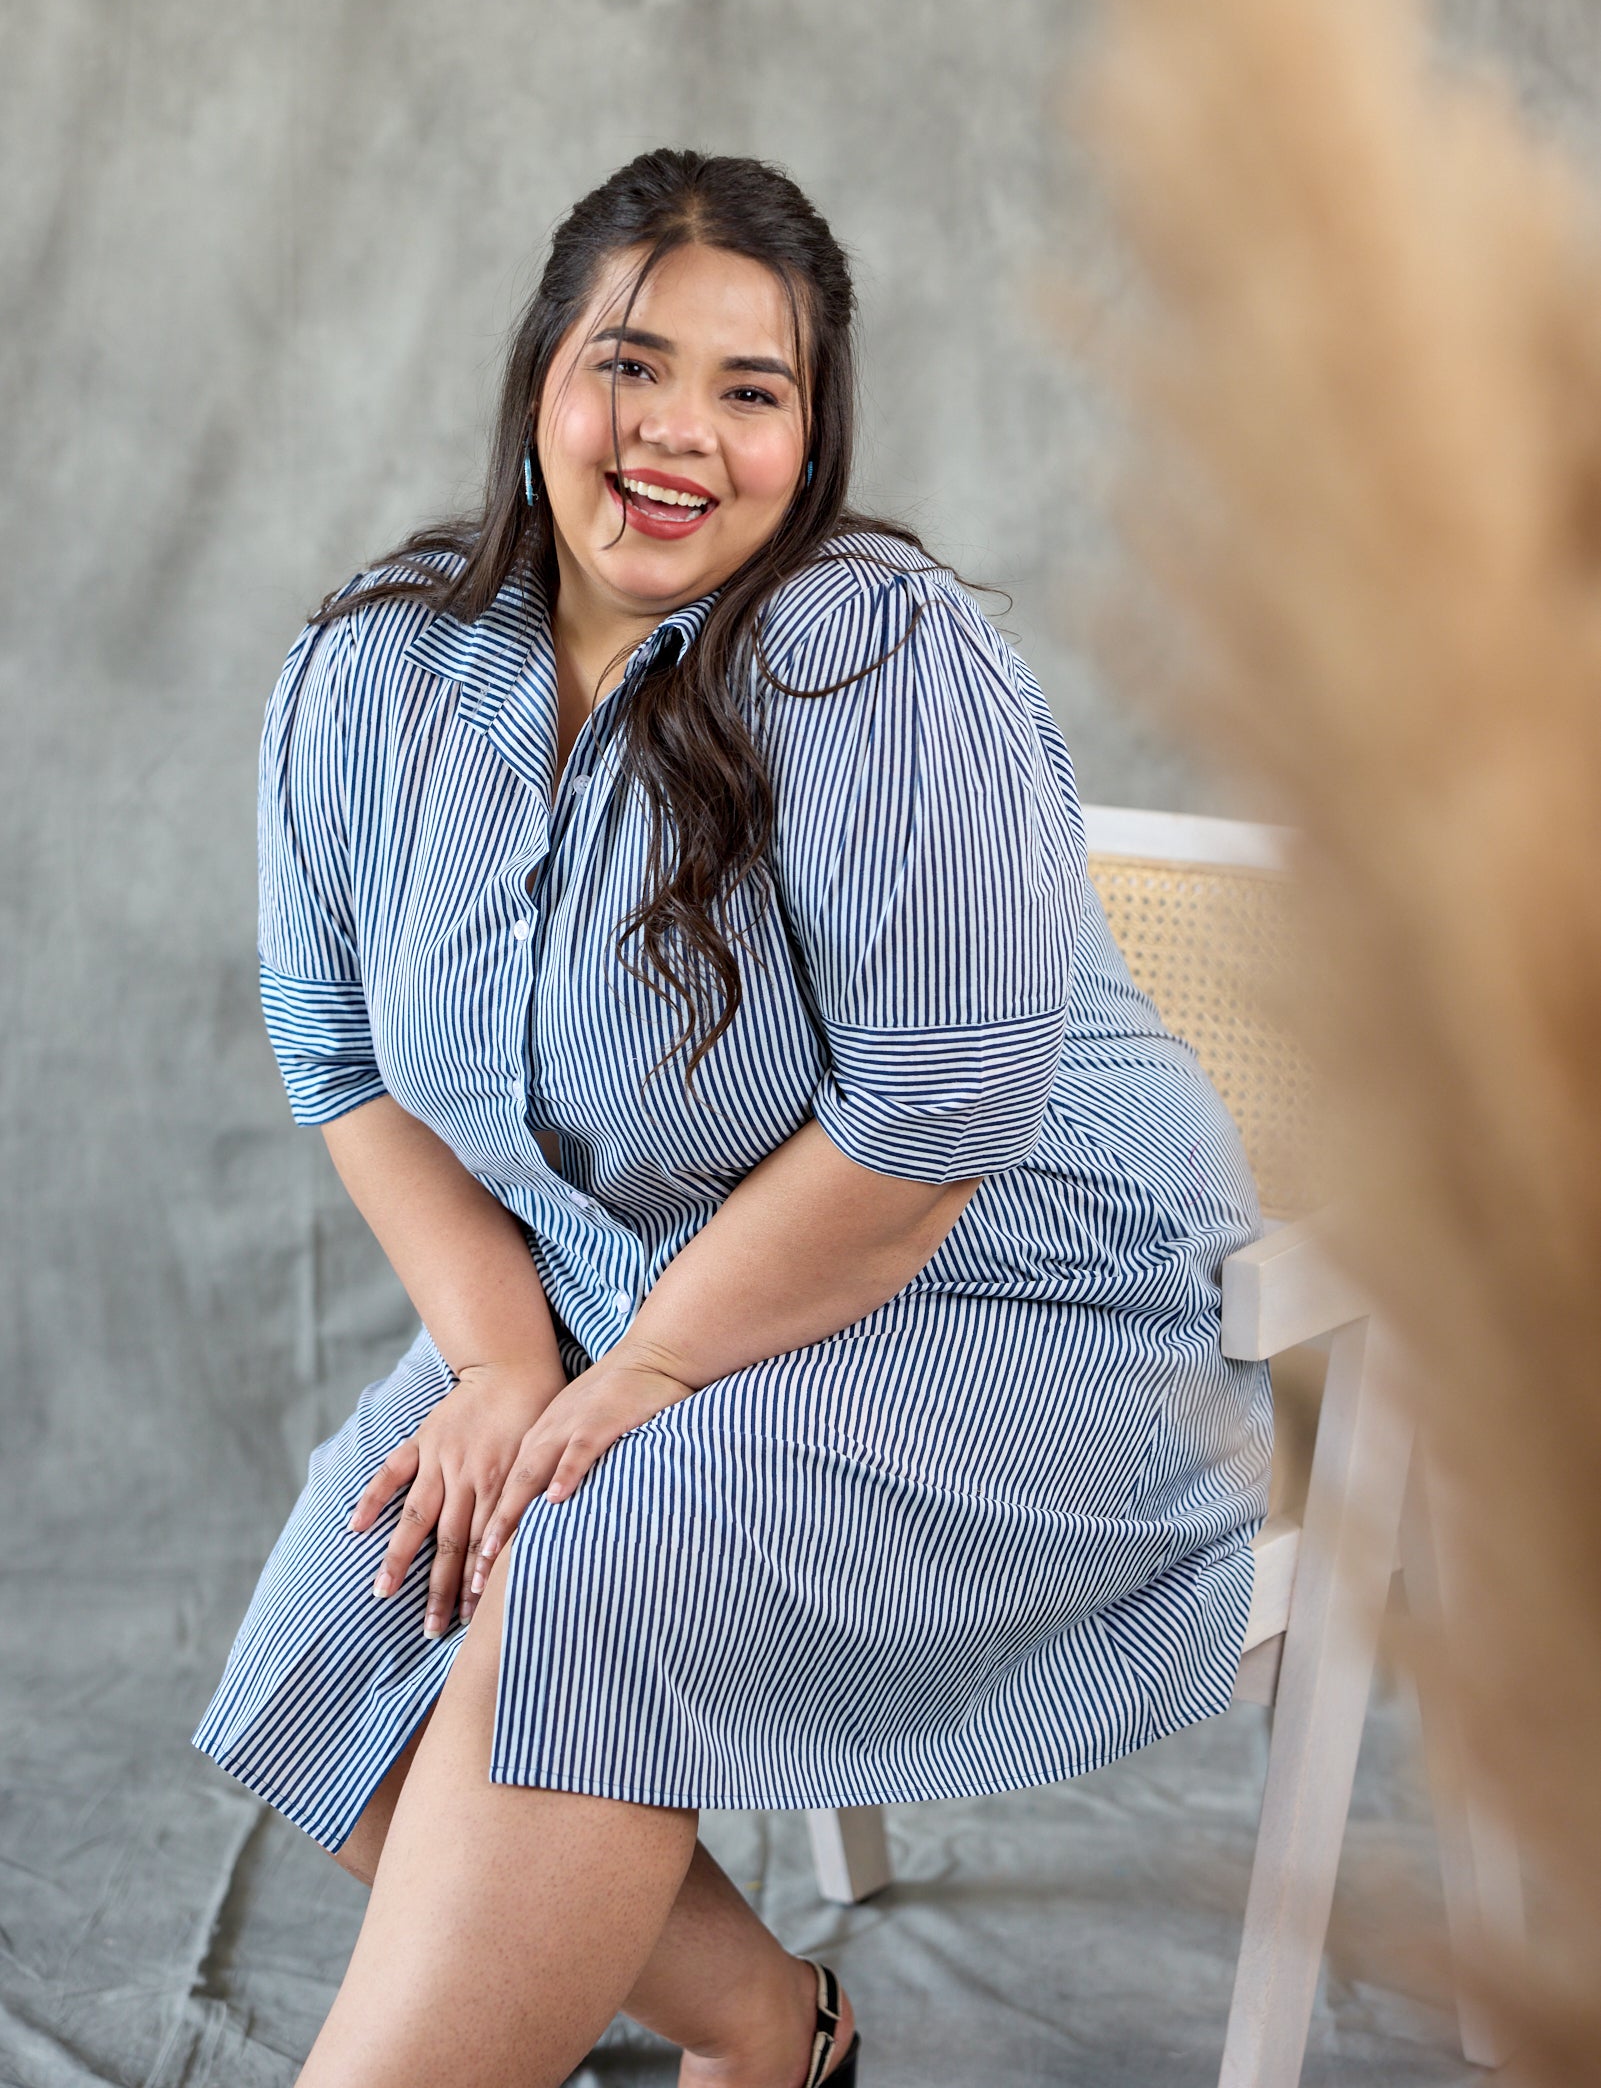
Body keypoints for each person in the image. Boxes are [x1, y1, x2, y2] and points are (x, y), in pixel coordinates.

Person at [194, 147, 1271, 2088]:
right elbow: (335, 1046)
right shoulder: (378, 676)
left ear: (810, 433)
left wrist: (641, 1382)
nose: (680, 431)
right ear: (544, 377)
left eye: (751, 390)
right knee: (347, 1624)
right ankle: (786, 2036)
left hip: (1035, 1296)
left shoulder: (869, 654)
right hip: (647, 1288)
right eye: (633, 362)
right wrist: (508, 1359)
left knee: (585, 1562)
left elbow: (936, 1117)